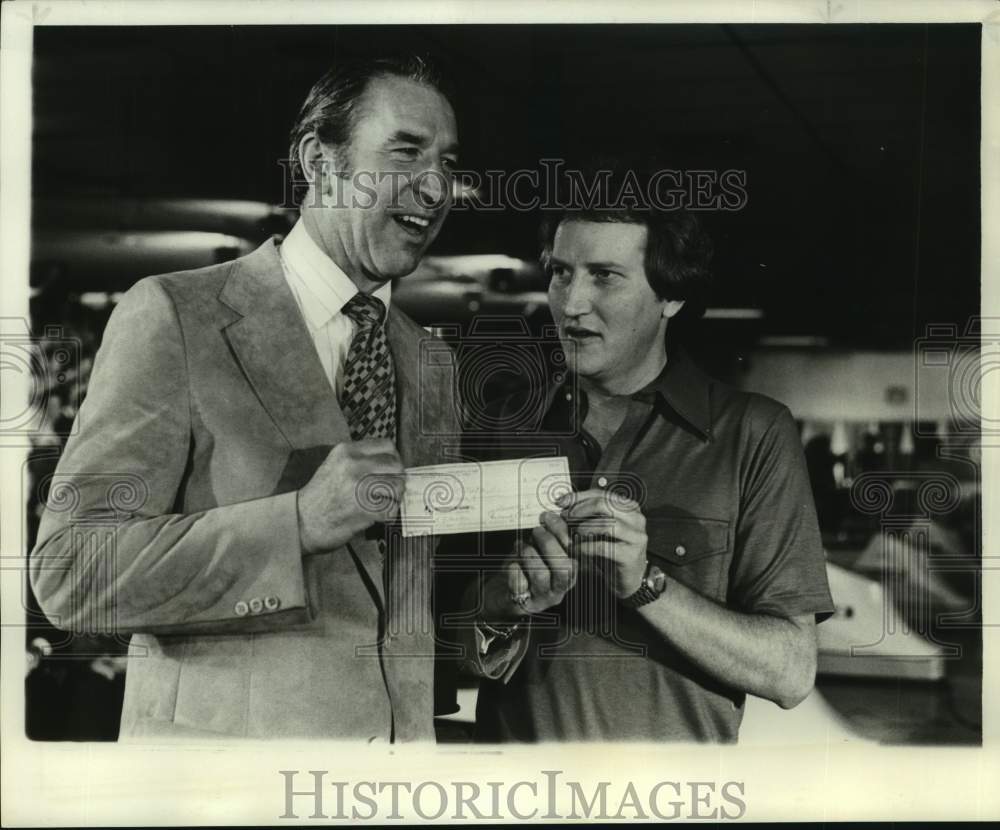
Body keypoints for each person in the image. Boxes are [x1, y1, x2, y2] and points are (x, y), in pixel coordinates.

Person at [30, 54, 463, 741]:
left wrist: (499, 602)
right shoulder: (175, 317)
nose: (436, 186)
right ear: (320, 161)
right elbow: (73, 573)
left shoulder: (430, 362)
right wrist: (296, 524)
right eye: (407, 152)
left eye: (446, 161)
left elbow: (389, 602)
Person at [456, 172, 835, 742]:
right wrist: (501, 604)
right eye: (561, 273)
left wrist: (644, 584)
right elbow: (443, 645)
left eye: (604, 277)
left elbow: (791, 671)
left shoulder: (753, 434)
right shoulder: (499, 426)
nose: (571, 303)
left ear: (672, 295)